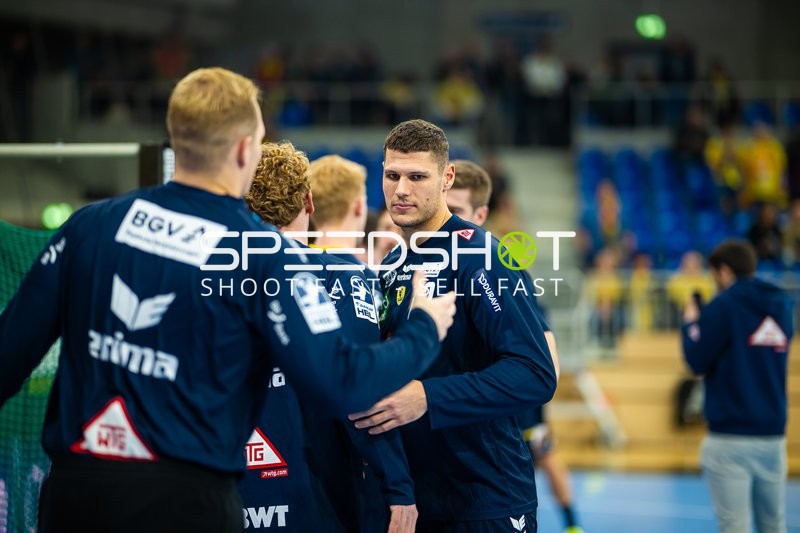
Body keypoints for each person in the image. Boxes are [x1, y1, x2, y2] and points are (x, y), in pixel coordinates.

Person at [0, 68, 457, 533]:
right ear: (244, 150)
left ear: (177, 139)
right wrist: (424, 325)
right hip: (185, 504)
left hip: (73, 498)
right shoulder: (266, 256)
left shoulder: (89, 226)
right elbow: (342, 379)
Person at [349, 119, 558, 532]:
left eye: (417, 177)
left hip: (485, 498)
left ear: (447, 179)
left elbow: (535, 373)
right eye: (392, 176)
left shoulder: (483, 256)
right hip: (417, 500)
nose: (401, 190)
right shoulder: (392, 264)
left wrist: (429, 397)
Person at [242, 142, 418, 532]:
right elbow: (360, 391)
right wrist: (399, 486)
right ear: (309, 201)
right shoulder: (342, 276)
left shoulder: (209, 281)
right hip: (317, 497)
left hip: (226, 495)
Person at [449, 159, 584, 533]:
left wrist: (529, 400)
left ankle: (573, 525)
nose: (448, 220)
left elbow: (544, 354)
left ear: (480, 215)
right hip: (459, 433)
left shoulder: (499, 268)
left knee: (546, 456)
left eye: (457, 211)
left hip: (516, 411)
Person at [682, 239, 792, 533]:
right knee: (774, 524)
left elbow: (697, 359)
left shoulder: (724, 306)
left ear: (725, 271)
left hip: (730, 435)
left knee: (734, 527)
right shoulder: (782, 306)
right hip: (773, 435)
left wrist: (691, 324)